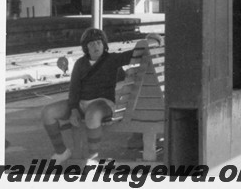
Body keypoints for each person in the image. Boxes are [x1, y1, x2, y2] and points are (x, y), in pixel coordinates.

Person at [40, 27, 162, 164]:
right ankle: (61, 152)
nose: (95, 46)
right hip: (81, 103)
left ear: (104, 45)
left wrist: (153, 40)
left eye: (98, 42)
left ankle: (93, 158)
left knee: (92, 114)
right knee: (47, 112)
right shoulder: (80, 63)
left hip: (103, 103)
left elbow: (134, 53)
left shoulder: (112, 59)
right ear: (86, 48)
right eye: (91, 44)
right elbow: (74, 89)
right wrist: (74, 109)